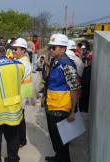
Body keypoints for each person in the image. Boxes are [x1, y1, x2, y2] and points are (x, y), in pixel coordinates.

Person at [45, 34, 81, 162]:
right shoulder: (55, 61)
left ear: (63, 49)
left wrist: (73, 111)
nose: (51, 50)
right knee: (54, 138)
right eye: (50, 47)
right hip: (51, 105)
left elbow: (74, 88)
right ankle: (57, 157)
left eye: (53, 47)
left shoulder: (67, 65)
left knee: (62, 141)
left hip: (61, 109)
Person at [12, 38, 31, 148]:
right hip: (21, 92)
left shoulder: (23, 63)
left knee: (19, 118)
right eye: (13, 49)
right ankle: (22, 140)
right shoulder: (20, 61)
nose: (13, 51)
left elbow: (16, 79)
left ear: (23, 50)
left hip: (21, 93)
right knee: (21, 117)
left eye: (16, 49)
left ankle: (20, 140)